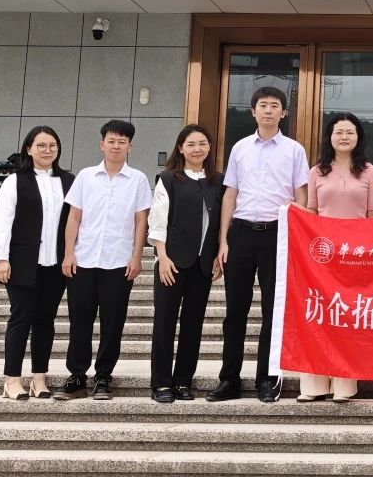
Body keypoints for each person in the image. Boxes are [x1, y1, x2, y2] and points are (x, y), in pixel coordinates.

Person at [209, 86, 310, 404]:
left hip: (277, 235)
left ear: (284, 113)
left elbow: (302, 196)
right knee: (234, 311)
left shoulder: (294, 150)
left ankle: (267, 378)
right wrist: (223, 240)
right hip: (240, 233)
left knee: (272, 311)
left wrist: (296, 238)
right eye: (263, 105)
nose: (268, 110)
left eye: (275, 105)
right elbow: (230, 195)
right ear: (253, 112)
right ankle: (229, 379)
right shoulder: (240, 148)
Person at [53, 120, 152, 402]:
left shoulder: (138, 180)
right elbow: (74, 217)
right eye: (111, 141)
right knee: (79, 321)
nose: (116, 146)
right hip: (83, 260)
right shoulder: (85, 177)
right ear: (102, 144)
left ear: (130, 146)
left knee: (113, 323)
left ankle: (104, 376)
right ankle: (77, 377)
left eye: (122, 142)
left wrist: (137, 256)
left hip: (119, 262)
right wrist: (68, 253)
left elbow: (141, 221)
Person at [298, 112, 373, 403]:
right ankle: (314, 385)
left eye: (350, 132)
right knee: (319, 317)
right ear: (330, 137)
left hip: (355, 255)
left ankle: (345, 384)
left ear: (358, 137)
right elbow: (312, 211)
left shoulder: (369, 172)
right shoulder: (317, 171)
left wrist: (370, 253)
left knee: (347, 317)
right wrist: (291, 214)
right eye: (338, 132)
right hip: (322, 256)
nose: (344, 137)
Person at [0, 126, 75, 401]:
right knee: (21, 318)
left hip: (56, 264)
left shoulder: (69, 181)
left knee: (45, 321)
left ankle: (39, 378)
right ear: (29, 148)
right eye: (41, 145)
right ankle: (12, 379)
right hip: (21, 263)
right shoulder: (15, 181)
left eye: (52, 145)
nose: (47, 150)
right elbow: (2, 222)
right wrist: (1, 258)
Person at [147, 124, 223, 404]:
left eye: (202, 143)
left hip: (202, 264)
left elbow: (220, 222)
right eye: (190, 144)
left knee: (193, 324)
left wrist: (218, 254)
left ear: (209, 147)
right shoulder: (168, 179)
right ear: (180, 148)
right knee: (164, 322)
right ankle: (161, 383)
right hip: (172, 262)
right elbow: (157, 221)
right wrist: (162, 257)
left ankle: (182, 381)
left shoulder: (218, 181)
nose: (197, 149)